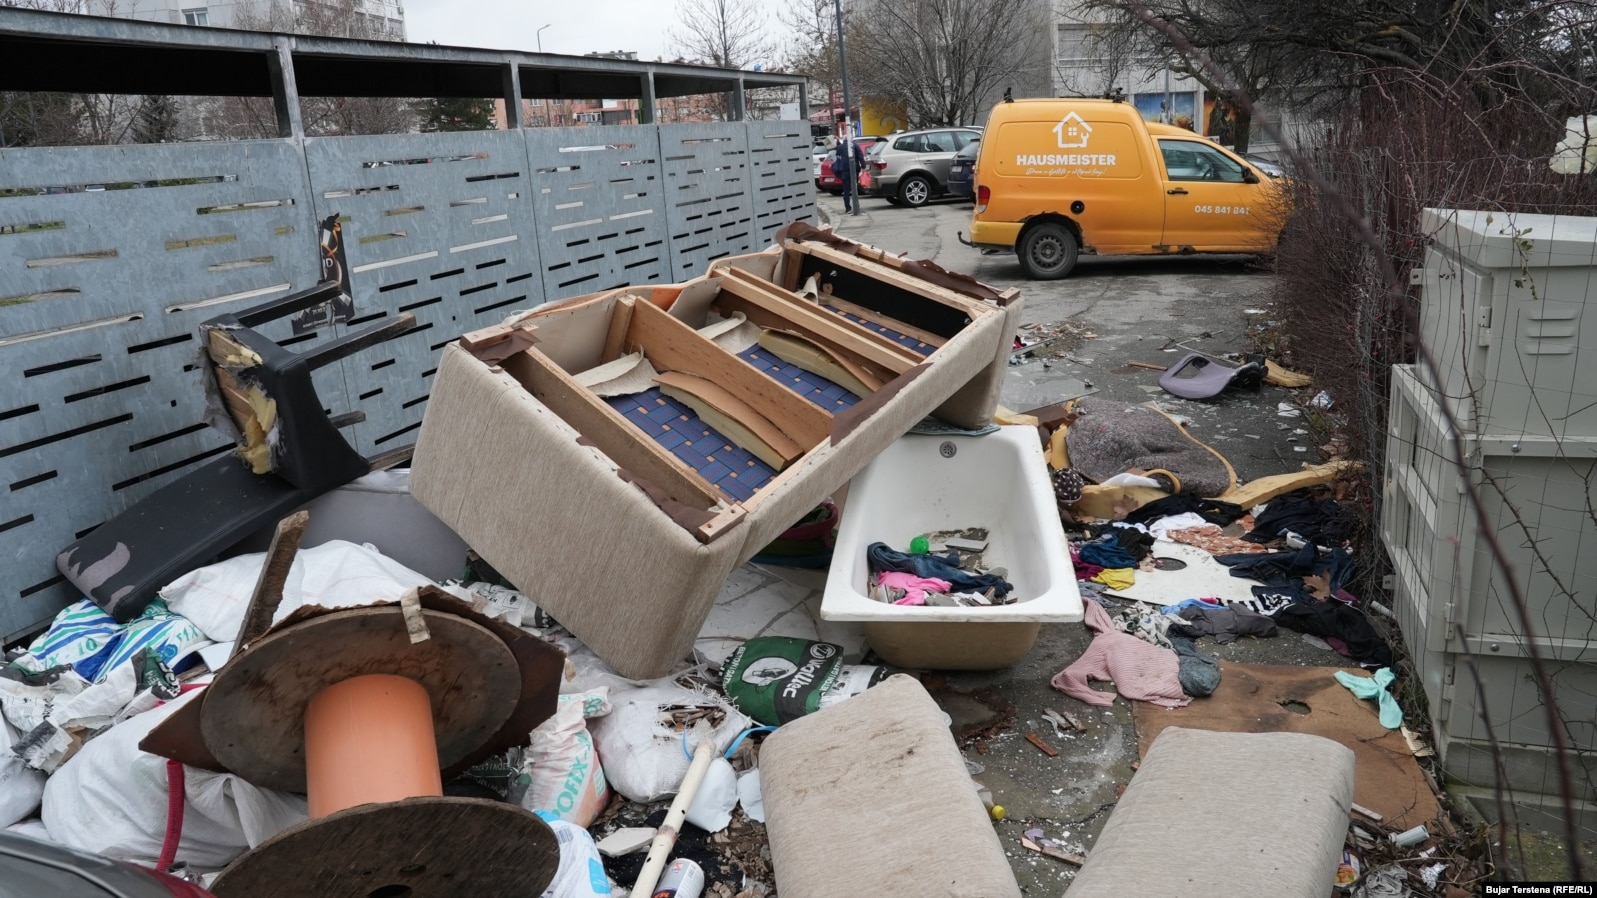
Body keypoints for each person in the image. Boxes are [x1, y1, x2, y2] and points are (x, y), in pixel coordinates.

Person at [834, 139, 867, 212]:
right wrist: (863, 166)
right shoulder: (855, 145)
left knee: (846, 190)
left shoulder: (840, 147)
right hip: (854, 169)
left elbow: (837, 157)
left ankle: (847, 207)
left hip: (844, 170)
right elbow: (860, 156)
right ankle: (856, 205)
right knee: (854, 188)